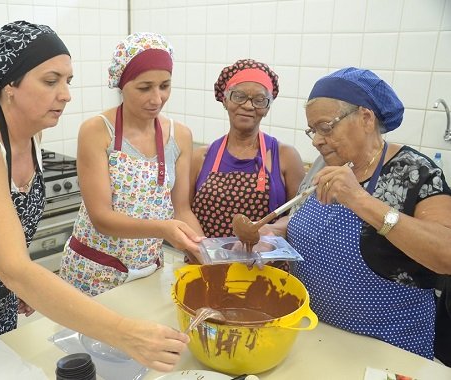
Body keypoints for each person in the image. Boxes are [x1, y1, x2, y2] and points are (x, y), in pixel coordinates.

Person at [0, 21, 188, 372]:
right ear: (10, 84)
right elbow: (15, 267)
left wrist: (16, 283)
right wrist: (126, 333)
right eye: (50, 80)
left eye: (67, 81)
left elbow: (5, 247)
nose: (66, 94)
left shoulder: (30, 136)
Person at [267, 67, 451, 362]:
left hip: (385, 353)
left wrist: (360, 200)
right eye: (312, 130)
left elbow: (445, 253)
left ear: (366, 118)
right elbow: (312, 223)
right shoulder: (325, 163)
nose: (316, 140)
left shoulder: (416, 172)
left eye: (325, 127)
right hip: (314, 336)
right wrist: (275, 233)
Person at [58, 32, 204, 296]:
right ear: (121, 83)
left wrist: (204, 251)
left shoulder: (179, 136)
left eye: (165, 86)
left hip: (148, 271)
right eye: (144, 87)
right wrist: (163, 229)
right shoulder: (98, 131)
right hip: (94, 272)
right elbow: (102, 218)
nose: (157, 99)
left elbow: (181, 211)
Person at [190, 59, 305, 241]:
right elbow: (183, 211)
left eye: (259, 100)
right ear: (225, 100)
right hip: (205, 263)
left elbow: (300, 216)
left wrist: (270, 233)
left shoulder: (285, 156)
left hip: (263, 266)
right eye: (239, 96)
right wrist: (206, 252)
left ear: (267, 108)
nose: (248, 105)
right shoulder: (200, 157)